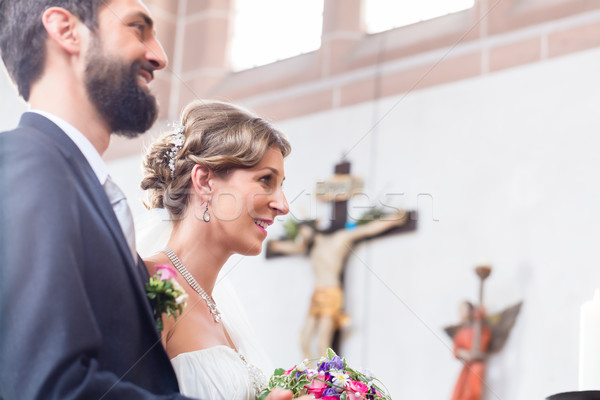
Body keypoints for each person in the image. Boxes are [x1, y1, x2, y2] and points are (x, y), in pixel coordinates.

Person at [0, 1, 297, 399]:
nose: (160, 55)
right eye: (138, 29)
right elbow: (43, 383)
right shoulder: (27, 162)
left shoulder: (90, 188)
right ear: (65, 30)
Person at [139, 99, 292, 399]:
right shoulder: (151, 283)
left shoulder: (224, 314)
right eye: (265, 180)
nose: (283, 205)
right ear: (205, 181)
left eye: (281, 185)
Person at [266, 211, 409, 360]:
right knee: (304, 339)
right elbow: (283, 247)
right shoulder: (310, 248)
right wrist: (274, 244)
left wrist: (392, 220)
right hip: (317, 295)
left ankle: (324, 381)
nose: (302, 236)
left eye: (303, 231)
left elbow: (366, 230)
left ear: (312, 227)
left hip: (331, 293)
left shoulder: (339, 239)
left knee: (322, 343)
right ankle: (307, 378)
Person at [449, 301, 492, 400]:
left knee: (474, 385)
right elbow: (456, 349)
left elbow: (484, 342)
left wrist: (479, 320)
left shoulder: (480, 328)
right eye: (460, 310)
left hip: (476, 364)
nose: (461, 312)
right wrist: (463, 353)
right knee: (460, 391)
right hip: (467, 365)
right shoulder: (461, 332)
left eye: (463, 309)